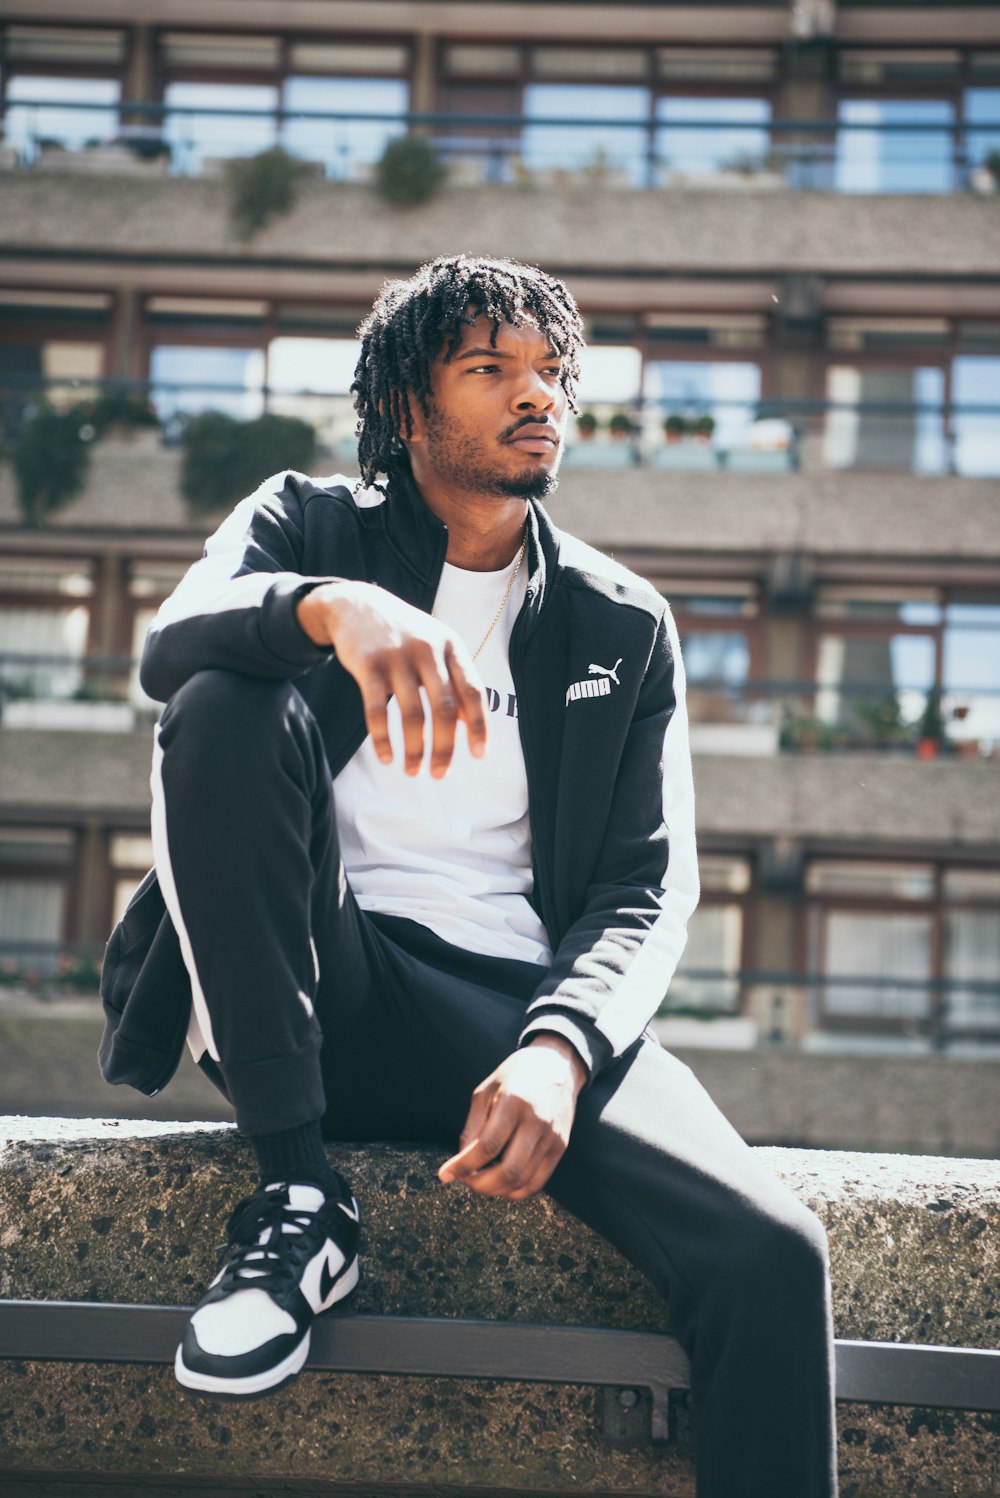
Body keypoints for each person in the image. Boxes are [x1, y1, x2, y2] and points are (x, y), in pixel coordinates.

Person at [101, 254, 838, 1497]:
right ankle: (296, 1206)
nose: (536, 394)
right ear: (405, 407)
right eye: (491, 369)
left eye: (550, 371)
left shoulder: (619, 619)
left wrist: (561, 1046)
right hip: (318, 988)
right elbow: (167, 649)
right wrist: (331, 608)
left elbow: (647, 886)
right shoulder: (304, 521)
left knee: (772, 1256)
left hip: (515, 1018)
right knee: (223, 703)